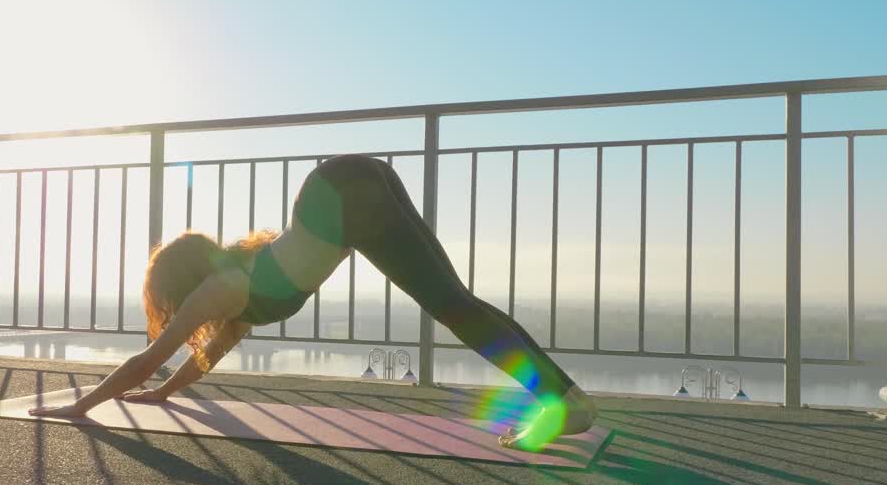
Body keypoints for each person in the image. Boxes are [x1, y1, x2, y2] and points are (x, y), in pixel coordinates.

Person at [29, 154, 597, 449]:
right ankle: (563, 398)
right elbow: (202, 359)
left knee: (453, 307)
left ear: (179, 284)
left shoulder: (216, 291)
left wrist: (82, 406)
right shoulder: (233, 285)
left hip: (338, 198)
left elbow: (149, 358)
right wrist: (164, 394)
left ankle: (562, 403)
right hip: (351, 182)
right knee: (457, 303)